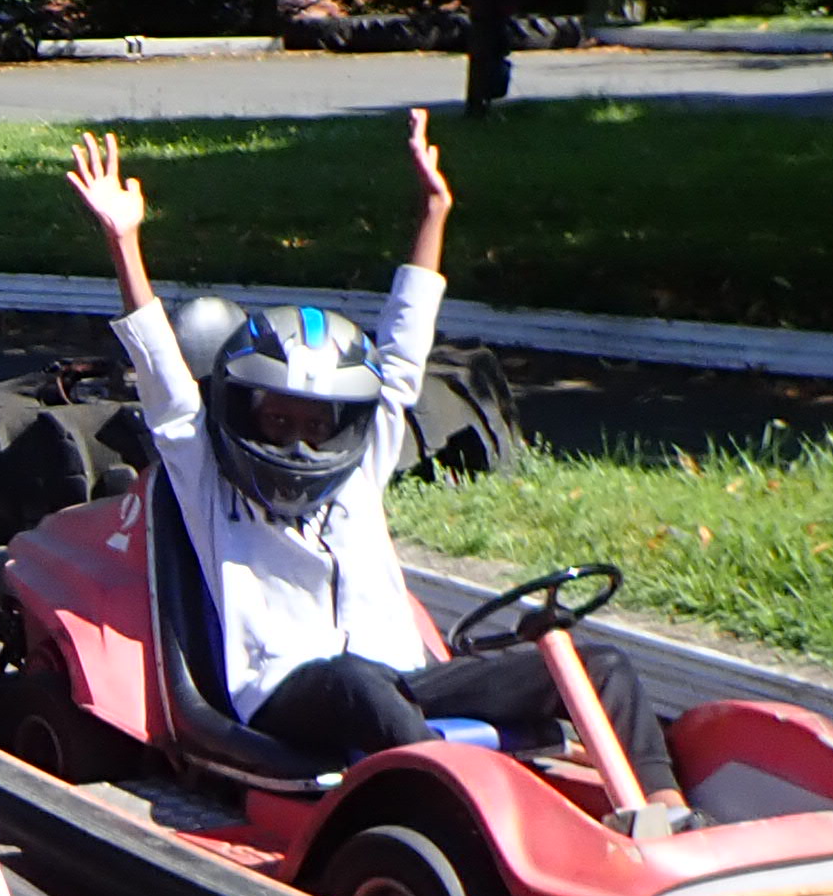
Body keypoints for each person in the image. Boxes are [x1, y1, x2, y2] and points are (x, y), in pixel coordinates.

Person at [65, 114, 670, 788]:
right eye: (278, 420)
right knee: (358, 683)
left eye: (315, 424)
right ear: (242, 416)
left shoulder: (359, 468)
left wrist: (434, 213)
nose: (298, 442)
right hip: (288, 694)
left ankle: (665, 812)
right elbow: (167, 388)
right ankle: (461, 800)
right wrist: (124, 242)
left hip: (404, 683)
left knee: (601, 666)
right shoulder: (209, 484)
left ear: (344, 427)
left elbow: (403, 355)